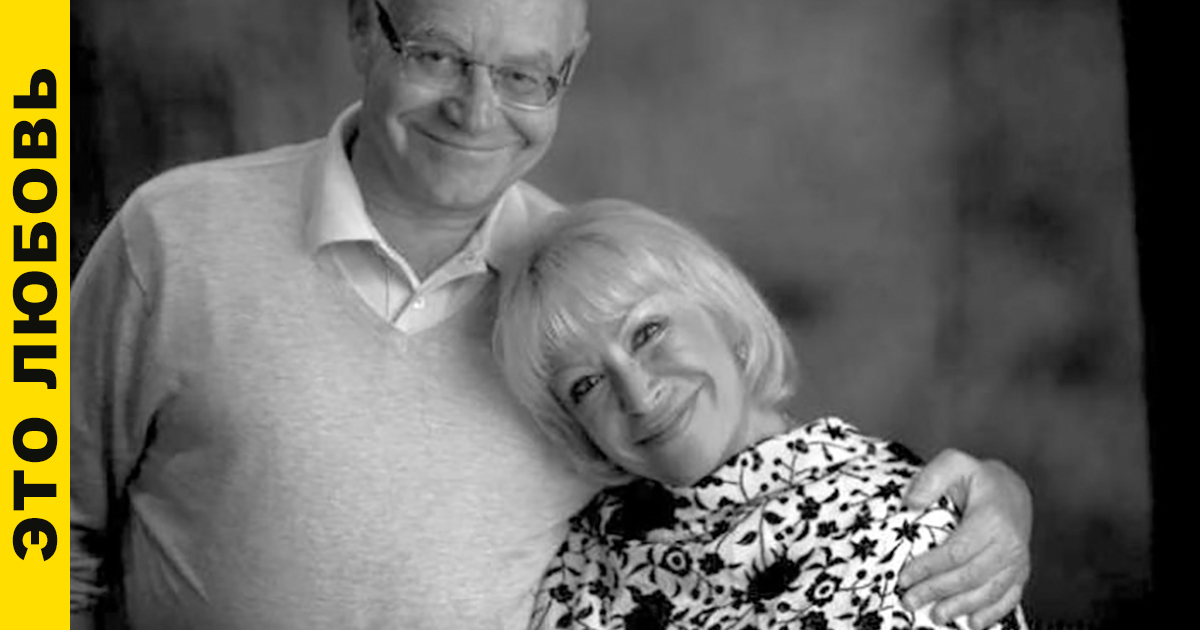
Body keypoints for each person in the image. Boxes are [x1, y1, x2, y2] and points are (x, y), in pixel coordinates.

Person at [70, 0, 1030, 628]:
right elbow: (33, 526)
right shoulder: (176, 236)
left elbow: (755, 487)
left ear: (568, 71)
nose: (477, 110)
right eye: (438, 55)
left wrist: (992, 500)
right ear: (365, 28)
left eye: (526, 75)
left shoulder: (579, 295)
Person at [494, 200, 1029, 630]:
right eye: (586, 385)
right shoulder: (586, 558)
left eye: (647, 332)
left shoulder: (907, 532)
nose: (637, 395)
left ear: (723, 317)